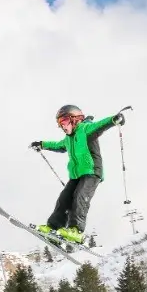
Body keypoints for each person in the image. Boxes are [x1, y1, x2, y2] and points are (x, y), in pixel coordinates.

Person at [29, 105, 125, 244]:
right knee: (63, 199)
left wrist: (114, 119)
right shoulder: (68, 139)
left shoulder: (85, 129)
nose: (63, 125)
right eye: (60, 123)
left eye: (65, 120)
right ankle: (53, 228)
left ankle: (76, 231)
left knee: (80, 197)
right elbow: (57, 145)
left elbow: (100, 125)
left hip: (92, 172)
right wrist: (42, 144)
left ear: (75, 119)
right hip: (76, 175)